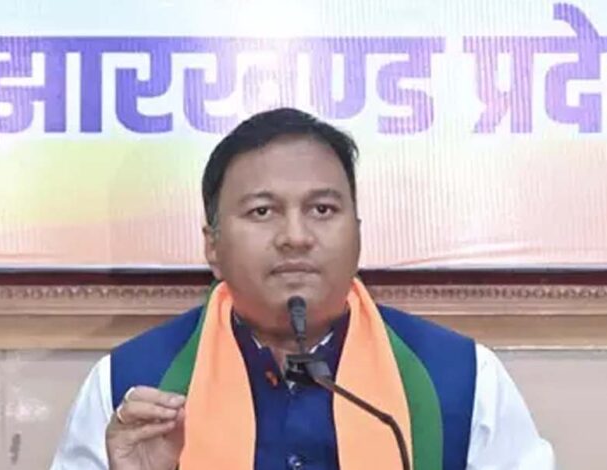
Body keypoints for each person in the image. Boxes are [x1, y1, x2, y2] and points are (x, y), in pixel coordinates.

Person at [50, 108, 555, 470]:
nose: (295, 236)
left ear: (357, 232)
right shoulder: (129, 389)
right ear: (212, 245)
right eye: (262, 211)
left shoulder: (464, 379)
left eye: (322, 209)